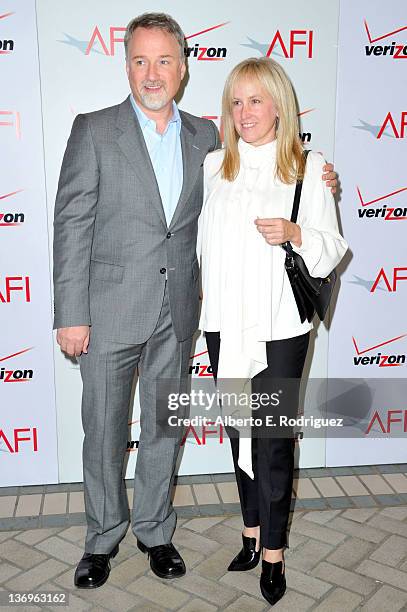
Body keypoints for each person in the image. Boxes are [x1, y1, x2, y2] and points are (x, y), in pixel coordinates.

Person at [53, 12, 338, 589]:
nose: (152, 73)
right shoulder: (93, 129)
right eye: (140, 60)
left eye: (164, 61)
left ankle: (156, 531)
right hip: (107, 313)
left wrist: (322, 181)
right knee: (104, 431)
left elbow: (269, 176)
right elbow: (71, 225)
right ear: (126, 65)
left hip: (180, 315)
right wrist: (71, 314)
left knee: (163, 429)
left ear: (183, 70)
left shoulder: (206, 141)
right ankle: (101, 539)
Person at [198, 56, 347, 606]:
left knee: (275, 440)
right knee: (239, 429)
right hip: (224, 326)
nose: (244, 112)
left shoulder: (309, 167)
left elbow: (331, 248)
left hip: (280, 328)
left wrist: (295, 231)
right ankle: (251, 534)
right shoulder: (215, 166)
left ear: (279, 105)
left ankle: (276, 556)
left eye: (256, 99)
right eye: (236, 101)